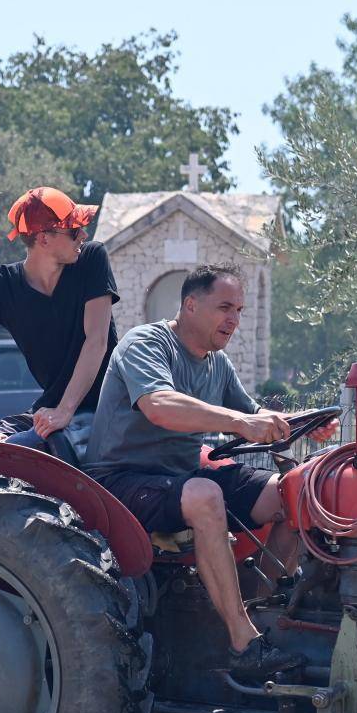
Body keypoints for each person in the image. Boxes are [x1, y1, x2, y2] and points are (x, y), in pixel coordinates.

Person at [85, 263, 304, 676]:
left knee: (295, 492)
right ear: (190, 305)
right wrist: (240, 423)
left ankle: (263, 611)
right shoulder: (147, 344)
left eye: (239, 310)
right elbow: (160, 406)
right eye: (225, 307)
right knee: (206, 496)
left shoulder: (216, 365)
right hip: (121, 483)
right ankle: (242, 641)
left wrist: (295, 421)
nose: (234, 320)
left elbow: (253, 414)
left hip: (179, 480)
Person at [0, 187, 117, 456]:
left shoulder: (92, 259)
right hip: (51, 411)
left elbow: (96, 340)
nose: (84, 235)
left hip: (107, 405)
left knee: (47, 448)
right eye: (74, 230)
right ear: (43, 239)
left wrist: (64, 411)